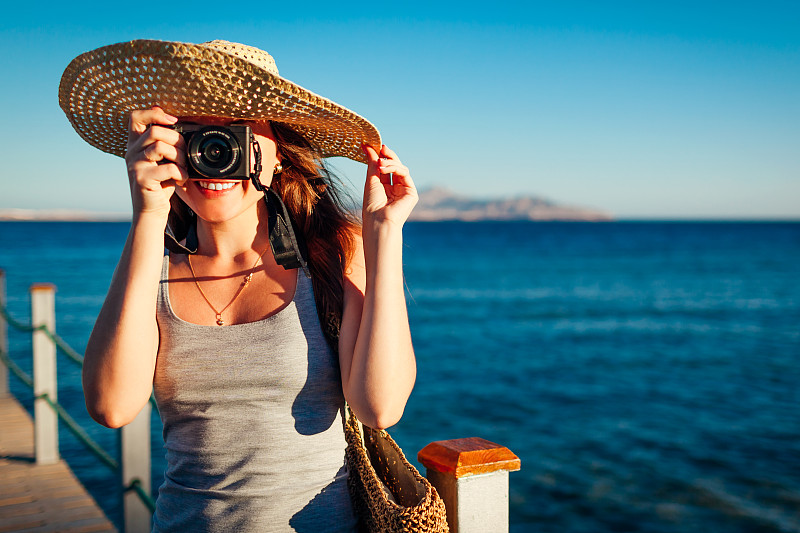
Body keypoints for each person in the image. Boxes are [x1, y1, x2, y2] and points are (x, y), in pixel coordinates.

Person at [59, 40, 418, 531]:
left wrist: (384, 235)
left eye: (237, 135)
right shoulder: (150, 269)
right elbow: (111, 406)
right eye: (195, 136)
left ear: (276, 153)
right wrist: (147, 214)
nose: (215, 152)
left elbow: (380, 405)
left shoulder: (332, 251)